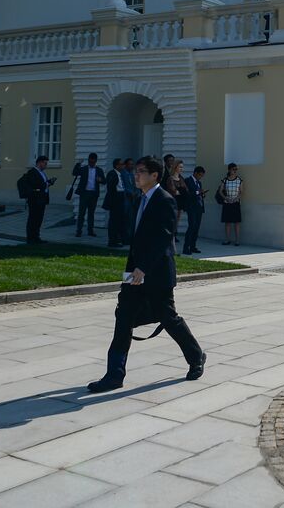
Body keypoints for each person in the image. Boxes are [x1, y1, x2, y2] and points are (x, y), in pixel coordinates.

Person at [87, 156, 206, 393]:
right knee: (123, 317)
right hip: (134, 273)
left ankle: (196, 357)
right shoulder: (139, 198)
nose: (136, 175)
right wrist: (132, 271)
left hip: (157, 273)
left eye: (141, 171)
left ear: (154, 175)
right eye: (136, 171)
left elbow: (163, 239)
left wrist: (144, 268)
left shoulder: (165, 201)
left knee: (168, 318)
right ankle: (114, 374)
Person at [20, 155, 54, 244]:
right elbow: (36, 185)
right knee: (33, 219)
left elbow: (42, 184)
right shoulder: (33, 172)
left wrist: (48, 183)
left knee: (39, 219)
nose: (46, 165)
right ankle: (30, 238)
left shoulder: (42, 173)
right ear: (40, 163)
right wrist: (47, 183)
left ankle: (36, 237)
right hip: (35, 199)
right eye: (45, 163)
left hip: (41, 199)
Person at [72, 153, 105, 237]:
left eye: (93, 162)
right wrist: (78, 164)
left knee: (91, 213)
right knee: (81, 213)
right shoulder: (83, 169)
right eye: (90, 161)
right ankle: (79, 230)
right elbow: (74, 173)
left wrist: (100, 180)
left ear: (96, 161)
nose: (92, 163)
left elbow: (104, 181)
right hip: (84, 193)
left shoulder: (99, 170)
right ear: (88, 160)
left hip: (94, 194)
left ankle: (90, 230)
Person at [182, 165, 206, 255]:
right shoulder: (188, 180)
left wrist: (202, 194)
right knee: (191, 226)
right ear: (195, 173)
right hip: (191, 207)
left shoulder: (199, 183)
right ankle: (186, 247)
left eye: (202, 176)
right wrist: (197, 192)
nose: (200, 177)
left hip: (199, 207)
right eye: (200, 175)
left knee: (196, 228)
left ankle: (193, 246)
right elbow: (188, 193)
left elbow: (198, 193)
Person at [218, 163, 243, 246]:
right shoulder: (225, 180)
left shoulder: (239, 180)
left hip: (235, 203)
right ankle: (227, 239)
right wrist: (226, 198)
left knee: (237, 222)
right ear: (229, 170)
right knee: (227, 222)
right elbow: (220, 191)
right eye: (233, 169)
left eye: (236, 169)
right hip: (227, 203)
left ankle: (237, 240)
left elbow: (241, 192)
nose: (235, 171)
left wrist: (236, 198)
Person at [103, 158, 126, 247]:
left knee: (119, 221)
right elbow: (111, 188)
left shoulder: (119, 174)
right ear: (117, 165)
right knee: (114, 221)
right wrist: (113, 201)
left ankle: (118, 239)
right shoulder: (112, 174)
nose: (123, 165)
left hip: (120, 198)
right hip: (115, 200)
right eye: (121, 164)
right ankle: (112, 240)